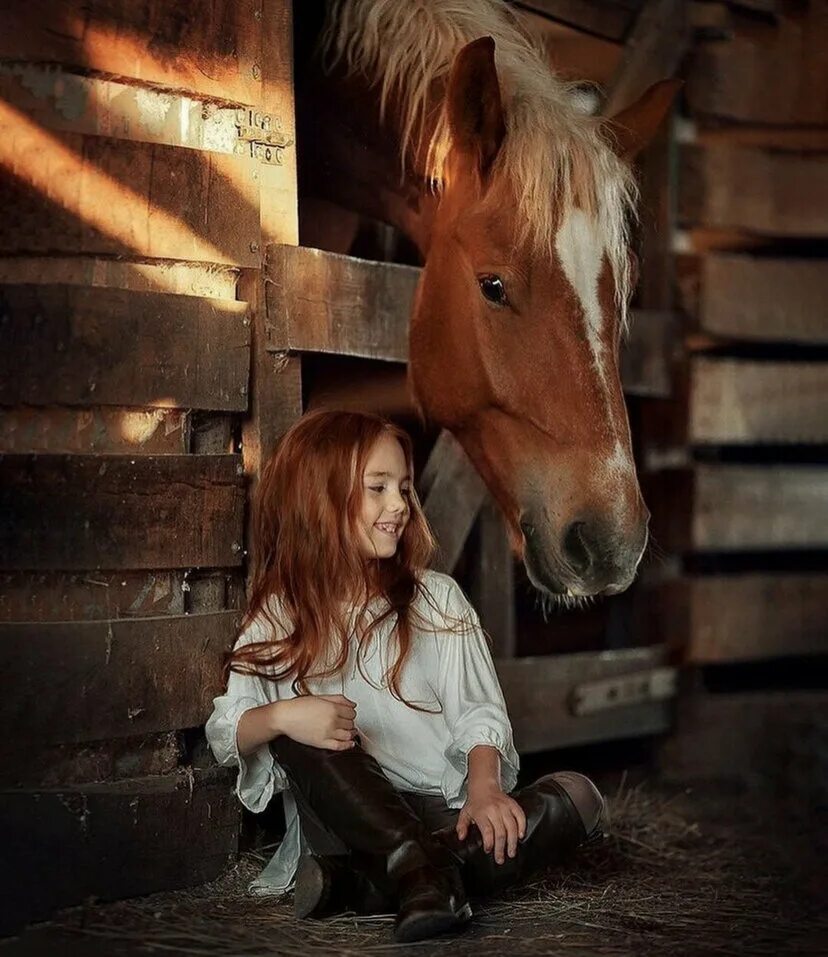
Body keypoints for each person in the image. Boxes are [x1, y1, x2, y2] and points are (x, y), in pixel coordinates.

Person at [205, 410, 605, 943]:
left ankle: (375, 884)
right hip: (347, 827)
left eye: (403, 488)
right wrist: (281, 715)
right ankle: (412, 869)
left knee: (581, 795)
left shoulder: (436, 598)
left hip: (443, 812)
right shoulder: (280, 616)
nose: (398, 505)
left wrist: (485, 788)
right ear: (318, 499)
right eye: (377, 488)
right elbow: (226, 731)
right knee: (299, 735)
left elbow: (478, 712)